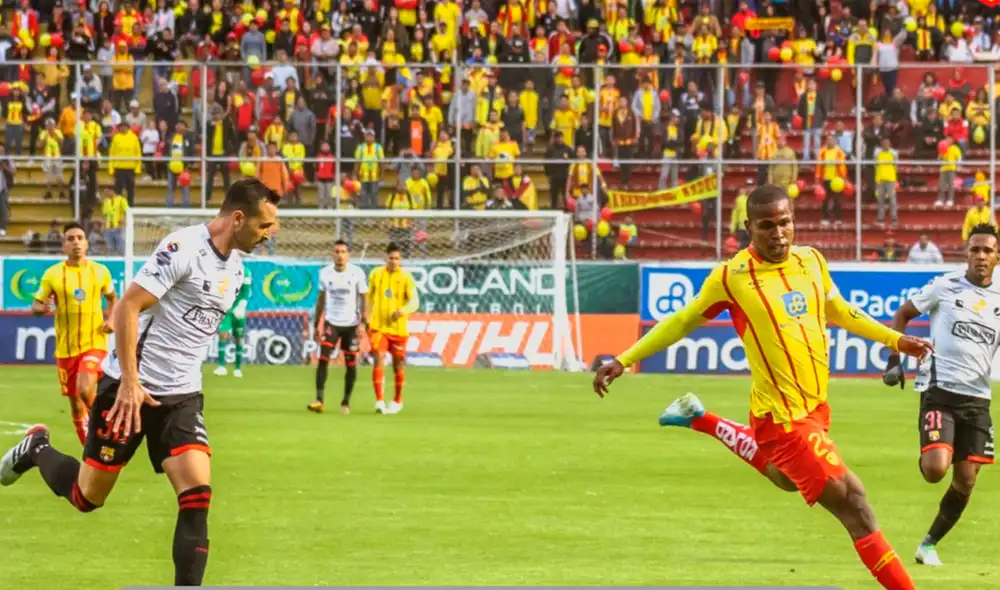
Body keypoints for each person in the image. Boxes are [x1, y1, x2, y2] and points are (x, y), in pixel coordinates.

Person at [593, 184, 933, 590]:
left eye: (784, 222)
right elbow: (682, 320)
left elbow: (841, 311)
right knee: (855, 504)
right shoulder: (732, 277)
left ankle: (701, 418)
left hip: (814, 408)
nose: (778, 233)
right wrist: (624, 359)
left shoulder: (811, 261)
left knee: (786, 478)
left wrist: (896, 340)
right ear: (749, 228)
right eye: (767, 225)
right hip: (784, 420)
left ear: (794, 221)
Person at [0, 179, 280, 587]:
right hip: (127, 391)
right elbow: (127, 306)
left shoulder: (235, 270)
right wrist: (130, 383)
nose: (270, 233)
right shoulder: (183, 248)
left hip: (180, 397)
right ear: (238, 218)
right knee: (86, 497)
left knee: (197, 494)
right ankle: (36, 448)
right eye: (264, 225)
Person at [884, 224, 1000, 567]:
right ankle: (930, 450)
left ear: (997, 257)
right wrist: (894, 360)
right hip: (940, 392)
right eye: (974, 249)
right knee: (936, 470)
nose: (980, 256)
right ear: (966, 253)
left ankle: (929, 545)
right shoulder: (945, 286)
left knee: (966, 481)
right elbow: (902, 314)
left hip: (978, 400)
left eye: (987, 251)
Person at [30, 222, 117, 444]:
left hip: (94, 343)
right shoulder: (53, 275)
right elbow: (36, 305)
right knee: (77, 406)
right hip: (66, 349)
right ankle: (90, 450)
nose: (76, 242)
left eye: (80, 238)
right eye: (70, 239)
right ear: (64, 245)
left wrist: (112, 319)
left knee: (85, 390)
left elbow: (112, 298)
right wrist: (42, 308)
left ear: (86, 243)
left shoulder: (100, 272)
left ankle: (111, 427)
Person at [309, 240, 368, 415]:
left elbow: (364, 298)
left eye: (343, 252)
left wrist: (363, 322)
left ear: (348, 255)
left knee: (350, 364)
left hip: (351, 325)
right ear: (332, 254)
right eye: (337, 252)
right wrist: (317, 324)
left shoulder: (357, 273)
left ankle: (346, 402)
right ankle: (319, 400)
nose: (340, 255)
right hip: (331, 323)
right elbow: (321, 299)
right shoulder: (325, 273)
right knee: (323, 358)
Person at [366, 243, 419, 415]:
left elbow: (415, 302)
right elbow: (369, 297)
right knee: (378, 358)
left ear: (401, 260)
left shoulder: (406, 277)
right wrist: (367, 317)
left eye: (397, 258)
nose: (394, 261)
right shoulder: (376, 274)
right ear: (385, 258)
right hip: (379, 327)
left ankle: (397, 400)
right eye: (391, 258)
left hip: (398, 329)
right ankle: (379, 401)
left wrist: (402, 311)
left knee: (398, 365)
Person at [213, 262, 253, 378]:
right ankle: (221, 366)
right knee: (223, 334)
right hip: (226, 308)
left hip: (238, 308)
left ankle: (237, 368)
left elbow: (246, 291)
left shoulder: (246, 272)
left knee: (239, 337)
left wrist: (242, 305)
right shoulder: (224, 271)